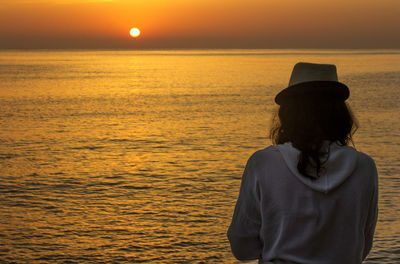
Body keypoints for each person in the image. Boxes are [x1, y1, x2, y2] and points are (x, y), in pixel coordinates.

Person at [227, 62, 378, 264]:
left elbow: (242, 248)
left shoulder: (263, 163)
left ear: (288, 114)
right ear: (340, 114)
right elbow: (363, 246)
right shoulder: (364, 167)